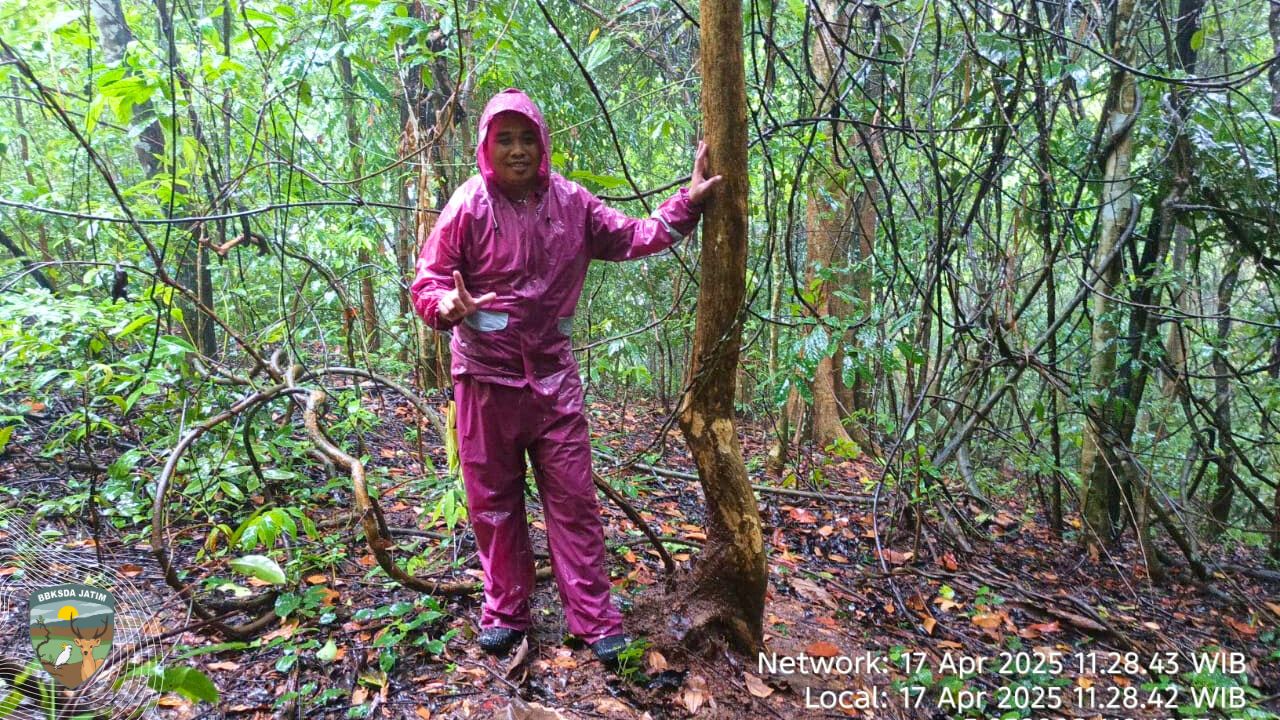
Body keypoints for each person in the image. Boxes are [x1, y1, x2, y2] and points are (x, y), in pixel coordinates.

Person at [410, 88, 721, 665]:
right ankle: (505, 611)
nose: (519, 150)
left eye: (528, 137)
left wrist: (688, 204)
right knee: (493, 504)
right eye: (506, 139)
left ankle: (595, 619)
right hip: (484, 380)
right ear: (486, 146)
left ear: (543, 143)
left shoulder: (571, 203)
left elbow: (632, 235)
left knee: (574, 502)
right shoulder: (467, 206)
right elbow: (428, 282)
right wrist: (445, 308)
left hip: (553, 381)